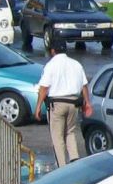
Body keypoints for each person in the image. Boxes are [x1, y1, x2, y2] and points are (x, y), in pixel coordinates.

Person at [36, 39, 91, 167]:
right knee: (70, 132)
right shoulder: (76, 64)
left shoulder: (50, 65)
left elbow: (44, 87)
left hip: (57, 104)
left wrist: (38, 106)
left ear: (52, 50)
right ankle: (74, 161)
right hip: (74, 103)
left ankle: (61, 167)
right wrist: (87, 102)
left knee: (57, 137)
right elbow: (84, 85)